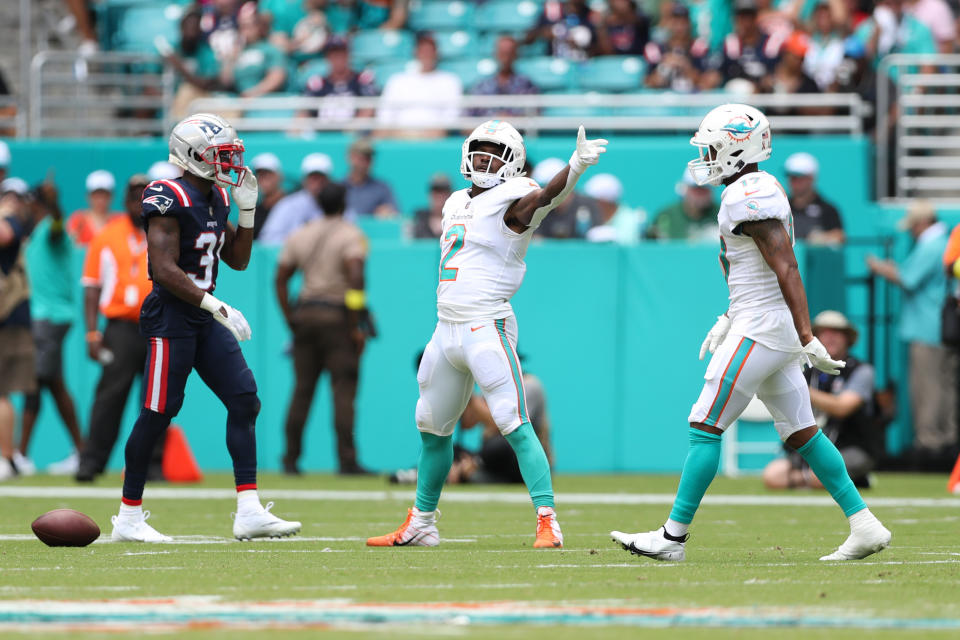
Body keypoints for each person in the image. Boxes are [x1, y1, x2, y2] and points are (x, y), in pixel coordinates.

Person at [610, 104, 891, 562]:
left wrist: (806, 335)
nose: (705, 154)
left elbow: (786, 265)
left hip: (763, 327)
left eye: (713, 146)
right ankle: (865, 525)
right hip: (759, 319)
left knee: (704, 423)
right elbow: (755, 269)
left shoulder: (749, 192)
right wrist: (728, 316)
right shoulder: (747, 189)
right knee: (802, 432)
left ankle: (672, 538)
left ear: (738, 147)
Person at [366, 120, 608, 549]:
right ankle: (422, 522)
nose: (483, 159)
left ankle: (548, 520)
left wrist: (574, 167)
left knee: (514, 423)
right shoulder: (456, 200)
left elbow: (545, 198)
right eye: (479, 150)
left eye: (494, 152)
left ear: (511, 161)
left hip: (486, 324)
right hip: (446, 326)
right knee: (432, 428)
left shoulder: (514, 199)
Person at [110, 113, 300, 542]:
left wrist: (249, 210)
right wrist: (216, 305)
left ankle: (249, 510)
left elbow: (237, 257)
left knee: (244, 399)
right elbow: (162, 269)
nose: (229, 163)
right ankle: (128, 516)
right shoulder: (165, 194)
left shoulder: (217, 196)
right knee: (157, 413)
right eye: (221, 155)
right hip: (172, 317)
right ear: (192, 155)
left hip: (202, 316)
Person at [275, 182, 373, 476]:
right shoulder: (351, 235)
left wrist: (290, 317)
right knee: (343, 391)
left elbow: (280, 278)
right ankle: (347, 460)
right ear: (344, 202)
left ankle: (290, 459)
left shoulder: (301, 234)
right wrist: (356, 324)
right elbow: (356, 277)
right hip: (337, 319)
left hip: (305, 315)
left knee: (301, 391)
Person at [75, 175, 160, 483]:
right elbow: (91, 286)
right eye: (135, 197)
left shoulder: (164, 230)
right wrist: (92, 332)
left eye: (145, 196)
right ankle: (91, 461)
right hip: (121, 328)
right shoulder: (108, 236)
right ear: (124, 202)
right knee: (110, 397)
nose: (140, 203)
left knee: (157, 399)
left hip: (158, 325)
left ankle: (153, 465)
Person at [868, 200, 955, 455]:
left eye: (913, 226)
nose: (911, 231)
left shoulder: (932, 246)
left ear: (923, 222)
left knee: (928, 387)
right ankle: (946, 438)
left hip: (927, 329)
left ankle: (929, 442)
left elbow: (908, 278)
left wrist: (879, 267)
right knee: (944, 385)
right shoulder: (944, 244)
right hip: (939, 328)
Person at [763, 311, 881, 490]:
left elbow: (842, 408)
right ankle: (848, 481)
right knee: (772, 476)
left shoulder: (861, 371)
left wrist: (800, 389)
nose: (830, 337)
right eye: (824, 332)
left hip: (850, 446)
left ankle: (824, 479)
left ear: (848, 339)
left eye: (837, 332)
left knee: (823, 476)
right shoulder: (806, 370)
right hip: (811, 448)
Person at [18, 180, 83, 476]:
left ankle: (21, 455)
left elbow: (58, 224)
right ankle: (81, 451)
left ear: (37, 205)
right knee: (51, 382)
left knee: (38, 379)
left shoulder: (50, 229)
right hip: (41, 317)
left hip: (52, 316)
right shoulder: (31, 237)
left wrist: (55, 204)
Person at [0, 178, 36, 481]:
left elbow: (5, 234)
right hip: (9, 317)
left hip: (7, 318)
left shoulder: (10, 220)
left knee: (1, 392)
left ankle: (7, 458)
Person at [376, 34, 462, 138]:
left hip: (435, 136)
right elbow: (385, 115)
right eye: (423, 50)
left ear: (436, 53)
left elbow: (451, 116)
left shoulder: (450, 81)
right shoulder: (397, 80)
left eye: (430, 51)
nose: (426, 54)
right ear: (416, 52)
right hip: (399, 135)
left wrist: (434, 132)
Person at [701, 0, 783, 92]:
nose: (746, 21)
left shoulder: (771, 42)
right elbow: (716, 73)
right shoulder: (730, 42)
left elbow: (779, 72)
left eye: (749, 16)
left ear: (756, 17)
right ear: (736, 19)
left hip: (765, 96)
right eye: (742, 17)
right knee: (738, 87)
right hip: (737, 97)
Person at [257, 152, 332, 246]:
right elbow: (268, 239)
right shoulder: (287, 204)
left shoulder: (337, 203)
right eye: (312, 177)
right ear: (305, 179)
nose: (316, 183)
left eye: (320, 178)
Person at [301, 36, 377, 122]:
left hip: (354, 132)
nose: (338, 57)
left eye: (342, 53)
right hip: (323, 133)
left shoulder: (362, 80)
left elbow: (370, 107)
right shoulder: (317, 84)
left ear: (349, 55)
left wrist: (351, 130)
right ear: (327, 57)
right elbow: (303, 112)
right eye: (334, 54)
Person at [219, 6, 288, 99]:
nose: (245, 31)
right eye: (241, 27)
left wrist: (254, 93)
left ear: (259, 27)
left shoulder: (270, 49)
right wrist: (230, 60)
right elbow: (225, 81)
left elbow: (277, 76)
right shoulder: (238, 52)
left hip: (263, 100)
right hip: (238, 100)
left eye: (249, 26)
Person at [531, 157, 603, 240]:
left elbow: (596, 238)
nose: (548, 195)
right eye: (544, 190)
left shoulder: (588, 204)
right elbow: (536, 240)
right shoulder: (538, 208)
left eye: (553, 189)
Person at [644, 4, 710, 93]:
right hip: (664, 98)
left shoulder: (699, 47)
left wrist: (684, 65)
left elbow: (706, 83)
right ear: (669, 23)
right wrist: (663, 67)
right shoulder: (656, 48)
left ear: (689, 23)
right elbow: (648, 82)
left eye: (683, 22)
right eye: (675, 22)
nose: (679, 27)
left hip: (692, 99)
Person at [784, 152, 845, 245]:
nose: (794, 182)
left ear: (811, 178)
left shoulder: (828, 210)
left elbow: (840, 236)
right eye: (792, 178)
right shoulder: (782, 208)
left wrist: (822, 238)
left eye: (799, 178)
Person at [470, 36, 538, 119]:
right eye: (502, 53)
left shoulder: (526, 85)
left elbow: (535, 115)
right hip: (485, 131)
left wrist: (512, 121)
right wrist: (493, 123)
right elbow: (466, 123)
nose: (506, 58)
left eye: (509, 53)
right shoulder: (481, 85)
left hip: (517, 131)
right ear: (495, 54)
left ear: (516, 55)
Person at [646, 168, 718, 241]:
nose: (700, 194)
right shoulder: (667, 216)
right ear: (685, 189)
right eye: (695, 189)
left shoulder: (722, 212)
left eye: (704, 189)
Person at [582, 173, 643, 245]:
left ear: (603, 202)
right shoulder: (588, 217)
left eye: (592, 200)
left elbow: (628, 246)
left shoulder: (630, 220)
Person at [344, 138, 398, 218]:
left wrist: (387, 213)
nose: (365, 163)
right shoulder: (339, 187)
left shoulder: (382, 187)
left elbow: (395, 215)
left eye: (368, 158)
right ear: (350, 158)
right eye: (361, 158)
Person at [67, 170, 119, 246]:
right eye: (96, 195)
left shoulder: (120, 221)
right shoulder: (78, 220)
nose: (100, 200)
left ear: (112, 196)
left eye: (104, 195)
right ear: (88, 196)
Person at [249, 152, 286, 238]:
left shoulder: (293, 205)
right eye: (260, 174)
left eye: (268, 173)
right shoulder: (254, 211)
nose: (263, 178)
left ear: (279, 176)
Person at [410, 173, 451, 239]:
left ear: (450, 194)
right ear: (430, 194)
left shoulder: (458, 220)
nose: (439, 195)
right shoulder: (418, 219)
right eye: (436, 190)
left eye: (443, 191)